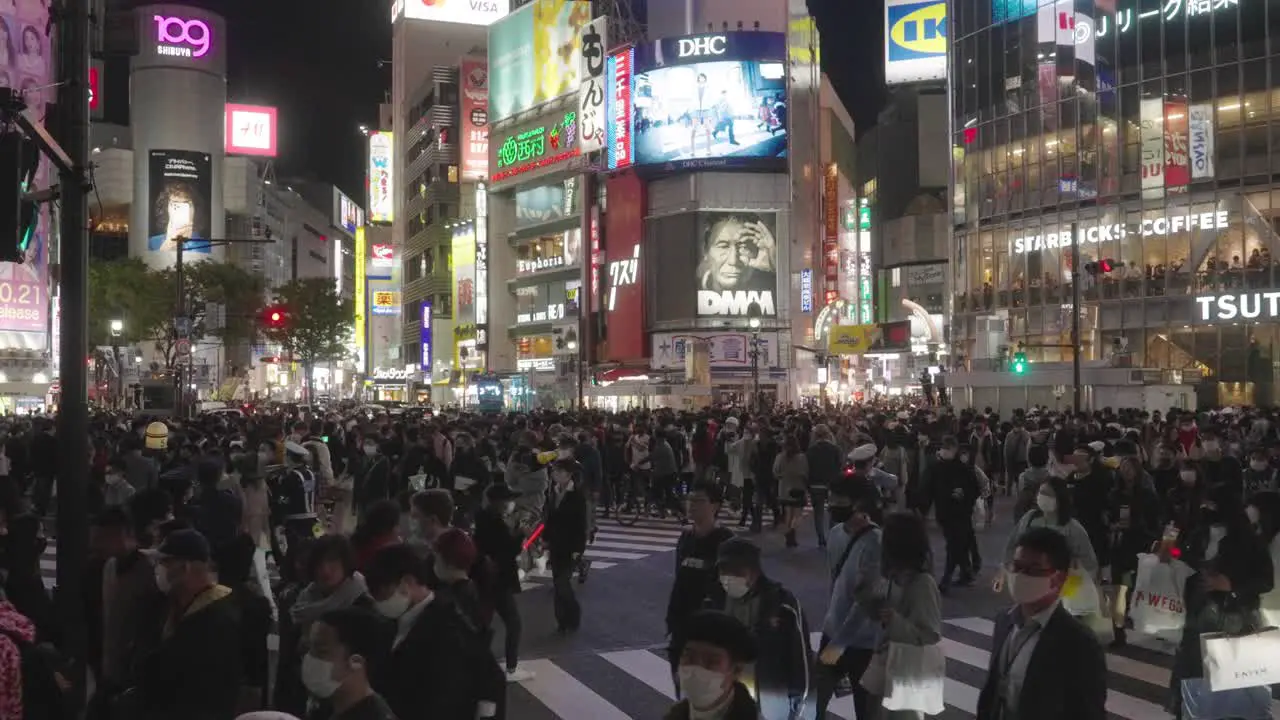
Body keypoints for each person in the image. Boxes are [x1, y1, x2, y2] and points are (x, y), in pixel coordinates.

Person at [975, 527, 1107, 720]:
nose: (1020, 576)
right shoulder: (1005, 621)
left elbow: (1088, 713)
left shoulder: (1079, 643)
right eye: (1017, 567)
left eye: (1033, 570)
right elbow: (993, 690)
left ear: (1059, 579)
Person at [364, 544, 501, 720]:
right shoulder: (392, 623)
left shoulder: (450, 625)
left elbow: (446, 698)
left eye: (382, 594)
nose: (379, 603)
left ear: (407, 582)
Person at [135, 529, 243, 720]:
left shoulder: (219, 619)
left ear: (185, 568)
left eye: (165, 562)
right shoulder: (170, 607)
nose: (158, 569)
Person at [710, 538, 812, 720]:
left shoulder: (782, 605)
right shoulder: (714, 603)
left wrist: (800, 710)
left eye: (736, 570)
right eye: (723, 570)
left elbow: (801, 661)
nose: (728, 576)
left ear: (754, 571)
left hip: (769, 706)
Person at [816, 478, 882, 720]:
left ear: (858, 503)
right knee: (813, 701)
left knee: (865, 710)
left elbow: (865, 600)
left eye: (839, 500)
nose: (832, 504)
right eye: (831, 498)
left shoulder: (875, 542)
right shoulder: (834, 534)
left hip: (863, 642)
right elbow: (835, 585)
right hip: (832, 632)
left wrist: (839, 643)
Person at [666, 481, 735, 692]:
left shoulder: (726, 541)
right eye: (690, 500)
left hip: (713, 629)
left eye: (699, 501)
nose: (692, 505)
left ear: (715, 506)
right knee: (684, 687)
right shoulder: (686, 538)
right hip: (683, 626)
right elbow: (680, 579)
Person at [472, 482, 531, 681]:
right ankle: (511, 668)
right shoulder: (494, 522)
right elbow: (506, 549)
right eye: (508, 500)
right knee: (513, 623)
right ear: (498, 502)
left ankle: (475, 664)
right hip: (498, 579)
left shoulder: (482, 518)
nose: (511, 503)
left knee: (483, 623)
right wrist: (520, 534)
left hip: (484, 578)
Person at [300, 608, 397, 720]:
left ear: (356, 662)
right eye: (308, 648)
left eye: (321, 651)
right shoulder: (328, 708)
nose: (308, 658)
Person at [664, 610, 760, 720]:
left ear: (736, 670)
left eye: (711, 661)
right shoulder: (675, 715)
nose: (697, 668)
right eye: (689, 657)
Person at [543, 458, 588, 633]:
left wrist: (579, 549)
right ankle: (561, 620)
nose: (556, 475)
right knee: (557, 582)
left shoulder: (577, 494)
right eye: (554, 472)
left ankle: (573, 615)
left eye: (560, 472)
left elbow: (581, 524)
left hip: (570, 545)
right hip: (555, 544)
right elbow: (549, 518)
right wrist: (545, 539)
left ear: (569, 475)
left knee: (563, 582)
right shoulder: (552, 491)